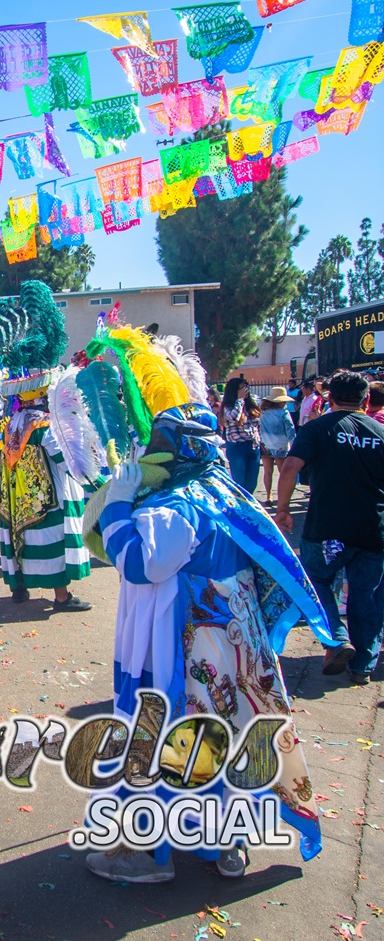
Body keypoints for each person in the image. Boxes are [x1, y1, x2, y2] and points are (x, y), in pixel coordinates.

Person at [85, 404, 329, 883]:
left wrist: (117, 501)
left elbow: (139, 564)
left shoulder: (176, 506)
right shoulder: (222, 489)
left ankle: (148, 856)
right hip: (233, 640)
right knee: (231, 730)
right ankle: (227, 845)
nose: (149, 449)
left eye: (157, 441)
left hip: (182, 640)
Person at [277, 371, 384, 685]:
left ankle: (336, 638)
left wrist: (282, 509)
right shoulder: (380, 430)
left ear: (328, 398)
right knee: (367, 596)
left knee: (314, 582)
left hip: (327, 528)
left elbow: (290, 467)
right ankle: (363, 664)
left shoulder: (316, 429)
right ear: (366, 400)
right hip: (372, 530)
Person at [0, 377, 93, 611]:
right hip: (46, 495)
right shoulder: (42, 425)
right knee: (53, 540)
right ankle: (61, 597)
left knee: (19, 538)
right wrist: (94, 481)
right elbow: (65, 459)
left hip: (17, 495)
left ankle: (19, 588)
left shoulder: (14, 423)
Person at [219, 377, 262, 495]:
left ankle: (248, 505)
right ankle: (241, 508)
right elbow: (234, 418)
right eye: (241, 388)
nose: (245, 391)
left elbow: (257, 426)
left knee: (251, 483)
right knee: (240, 483)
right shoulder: (228, 406)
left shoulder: (250, 406)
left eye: (246, 388)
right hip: (237, 447)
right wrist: (239, 400)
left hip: (253, 447)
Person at [259, 385, 296, 503]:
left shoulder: (263, 412)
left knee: (267, 472)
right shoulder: (283, 413)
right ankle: (282, 496)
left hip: (265, 444)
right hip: (280, 445)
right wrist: (294, 445)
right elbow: (290, 430)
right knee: (283, 473)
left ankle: (268, 496)